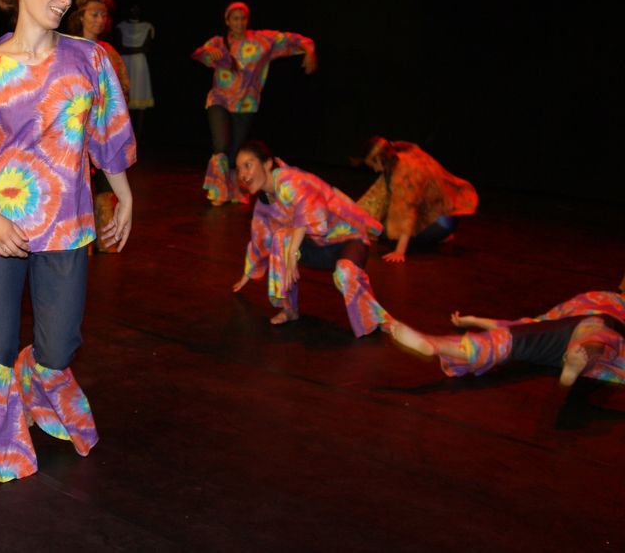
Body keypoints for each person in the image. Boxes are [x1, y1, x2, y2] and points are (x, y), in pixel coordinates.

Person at [0, 0, 135, 488]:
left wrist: (124, 196)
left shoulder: (88, 59)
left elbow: (108, 129)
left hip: (67, 223)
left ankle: (31, 388)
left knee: (58, 347)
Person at [231, 140, 392, 337]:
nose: (243, 174)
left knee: (345, 272)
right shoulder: (263, 205)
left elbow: (308, 207)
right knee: (280, 238)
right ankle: (289, 309)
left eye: (247, 165)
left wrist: (292, 252)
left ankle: (374, 319)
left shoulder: (290, 179)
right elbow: (260, 239)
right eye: (239, 169)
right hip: (319, 246)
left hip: (348, 238)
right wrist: (247, 273)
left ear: (267, 164)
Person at [192, 2, 316, 205]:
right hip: (219, 98)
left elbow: (295, 40)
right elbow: (200, 53)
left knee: (234, 150)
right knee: (221, 144)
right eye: (235, 19)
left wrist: (309, 51)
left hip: (246, 103)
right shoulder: (218, 42)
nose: (239, 23)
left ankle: (232, 189)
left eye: (243, 19)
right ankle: (218, 191)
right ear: (227, 21)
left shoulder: (262, 40)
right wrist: (208, 52)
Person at [390, 291, 625, 387]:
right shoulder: (596, 301)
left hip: (591, 332)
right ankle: (434, 345)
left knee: (598, 335)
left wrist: (473, 320)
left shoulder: (609, 306)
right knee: (506, 338)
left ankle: (577, 358)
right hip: (565, 332)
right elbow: (522, 324)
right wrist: (473, 320)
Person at [66, 0, 130, 253]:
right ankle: (81, 242)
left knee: (105, 185)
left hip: (102, 129)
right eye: (94, 14)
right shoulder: (67, 48)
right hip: (74, 129)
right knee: (78, 184)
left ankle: (106, 238)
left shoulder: (108, 52)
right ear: (81, 16)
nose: (100, 20)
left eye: (103, 15)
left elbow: (123, 89)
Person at [357, 137, 478, 263]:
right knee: (378, 221)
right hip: (447, 214)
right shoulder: (402, 155)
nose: (375, 170)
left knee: (383, 231)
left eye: (373, 165)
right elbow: (379, 196)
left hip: (441, 222)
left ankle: (439, 235)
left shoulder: (405, 172)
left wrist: (399, 251)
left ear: (380, 158)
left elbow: (408, 212)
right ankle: (440, 235)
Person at [115, 4, 155, 139]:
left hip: (139, 63)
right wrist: (136, 49)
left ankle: (138, 135)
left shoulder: (147, 26)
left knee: (140, 95)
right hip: (125, 62)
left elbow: (146, 48)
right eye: (132, 9)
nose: (134, 11)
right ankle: (123, 132)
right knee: (123, 95)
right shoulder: (121, 26)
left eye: (137, 9)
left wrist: (129, 49)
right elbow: (119, 47)